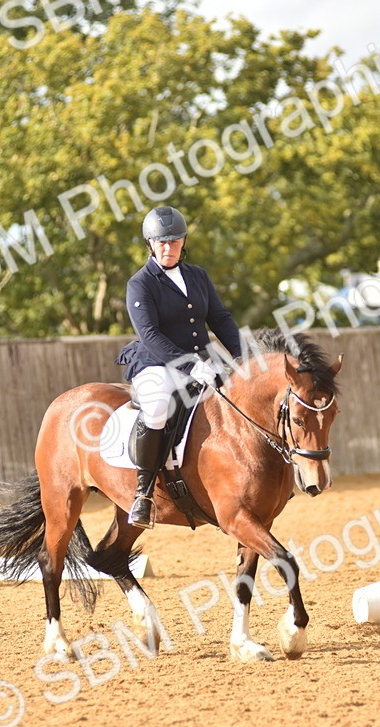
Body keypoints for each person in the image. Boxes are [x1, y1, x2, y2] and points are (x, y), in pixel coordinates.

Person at [116, 206, 243, 529]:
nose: (167, 247)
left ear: (183, 241)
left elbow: (220, 318)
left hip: (202, 361)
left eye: (174, 241)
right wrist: (190, 366)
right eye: (161, 242)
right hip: (157, 363)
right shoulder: (140, 283)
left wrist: (242, 357)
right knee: (157, 406)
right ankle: (143, 493)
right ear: (150, 243)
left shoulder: (198, 276)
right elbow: (150, 335)